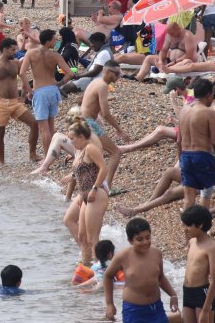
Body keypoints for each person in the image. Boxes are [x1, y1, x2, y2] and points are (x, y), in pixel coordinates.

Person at [179, 78, 215, 236]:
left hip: (185, 156)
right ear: (210, 94)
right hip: (201, 156)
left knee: (189, 198)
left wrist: (181, 160)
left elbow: (178, 140)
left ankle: (188, 236)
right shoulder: (208, 112)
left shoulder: (184, 110)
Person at [0, 38, 39, 165]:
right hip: (0, 103)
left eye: (15, 49)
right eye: (13, 50)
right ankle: (2, 163)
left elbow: (24, 78)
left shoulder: (16, 63)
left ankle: (32, 154)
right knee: (0, 133)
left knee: (34, 124)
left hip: (15, 102)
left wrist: (24, 96)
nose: (15, 52)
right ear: (4, 50)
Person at [103, 218, 179, 323]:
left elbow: (160, 277)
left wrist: (173, 295)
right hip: (134, 310)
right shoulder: (123, 256)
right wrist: (109, 304)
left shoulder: (156, 253)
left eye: (148, 238)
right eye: (140, 239)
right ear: (130, 240)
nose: (145, 242)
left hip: (156, 308)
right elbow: (107, 276)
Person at [62, 118, 109, 272]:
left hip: (96, 194)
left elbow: (103, 168)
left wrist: (95, 189)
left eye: (72, 138)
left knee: (92, 237)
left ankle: (101, 270)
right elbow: (85, 170)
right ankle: (86, 266)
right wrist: (72, 177)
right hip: (85, 195)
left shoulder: (90, 148)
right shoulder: (80, 150)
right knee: (82, 237)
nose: (70, 142)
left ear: (81, 137)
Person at [20, 29, 73, 158]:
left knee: (43, 128)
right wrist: (60, 84)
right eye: (54, 39)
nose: (56, 42)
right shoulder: (55, 55)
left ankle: (47, 158)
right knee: (51, 126)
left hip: (40, 91)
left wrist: (29, 90)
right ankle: (54, 153)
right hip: (53, 90)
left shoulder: (31, 53)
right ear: (48, 41)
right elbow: (70, 73)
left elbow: (22, 73)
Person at [80, 63, 128, 188]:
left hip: (82, 120)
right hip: (88, 122)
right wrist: (119, 130)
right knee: (115, 153)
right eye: (116, 73)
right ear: (107, 72)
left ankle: (78, 190)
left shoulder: (96, 81)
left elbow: (96, 107)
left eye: (120, 74)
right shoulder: (102, 86)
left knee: (87, 155)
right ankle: (107, 187)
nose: (118, 76)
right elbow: (106, 114)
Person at [180, 205, 215, 323]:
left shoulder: (211, 247)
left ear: (200, 224)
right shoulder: (192, 242)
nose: (185, 229)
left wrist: (206, 309)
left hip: (202, 292)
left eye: (188, 225)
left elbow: (214, 280)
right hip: (187, 291)